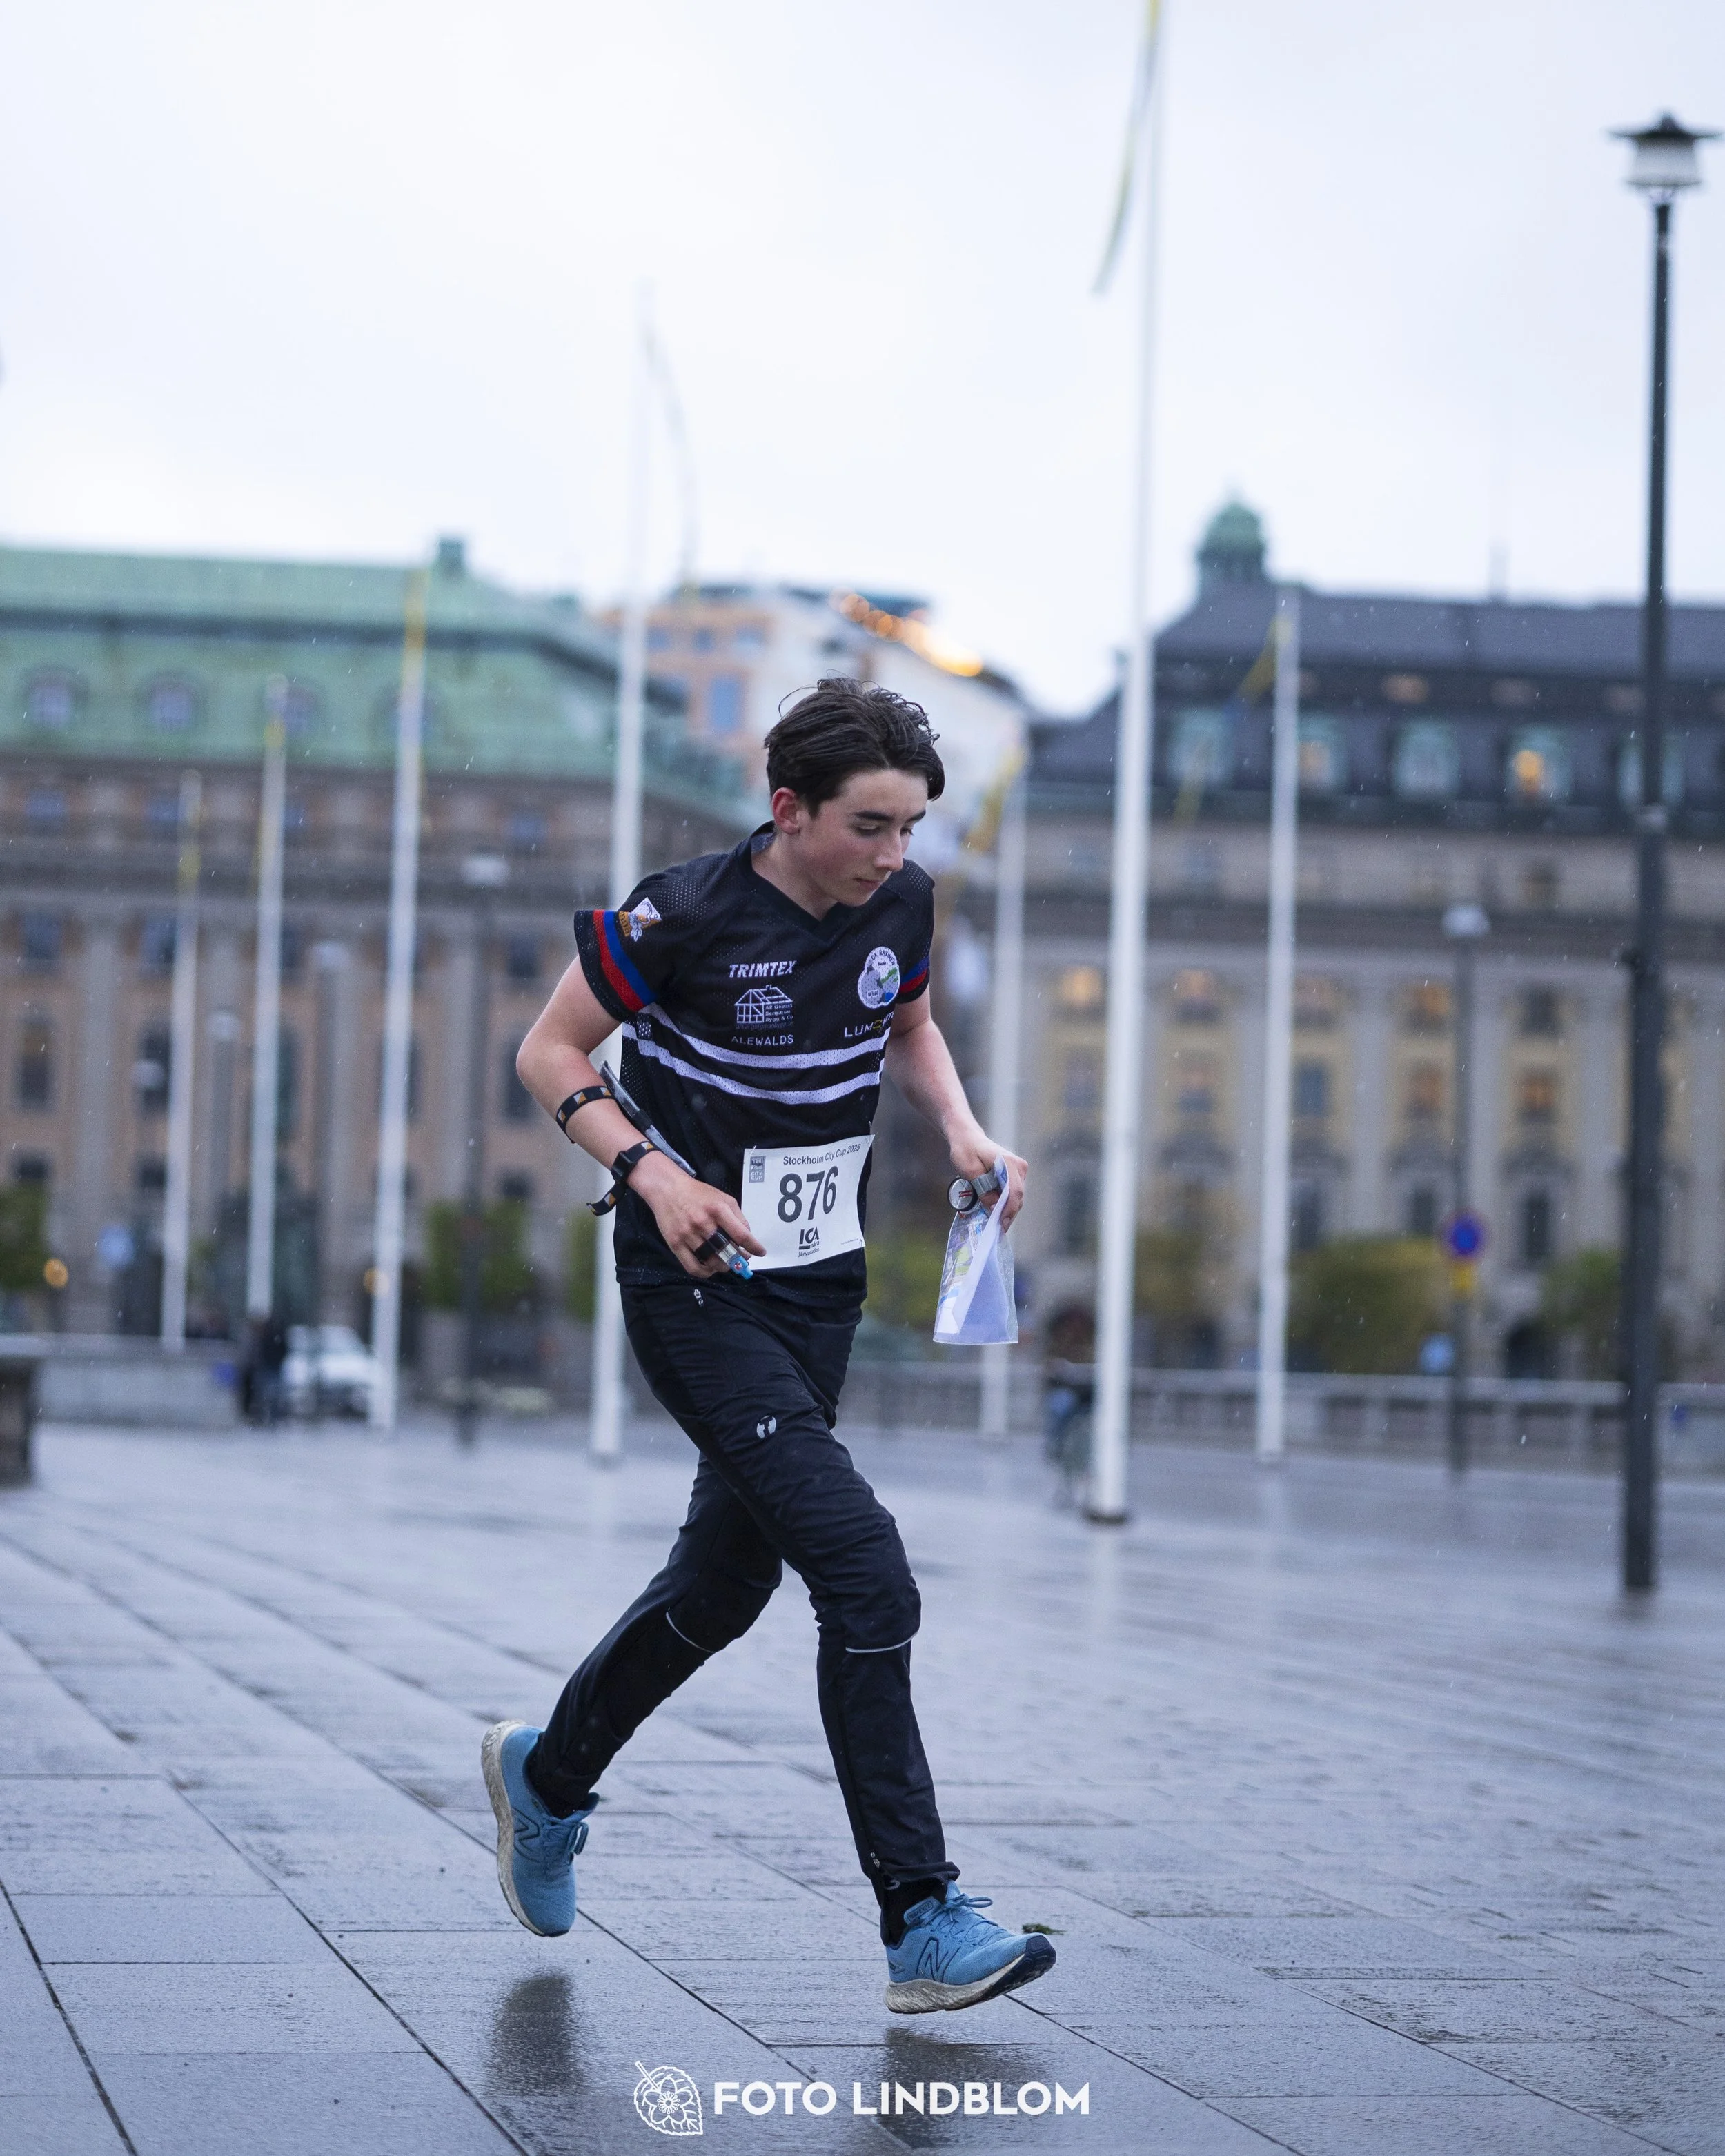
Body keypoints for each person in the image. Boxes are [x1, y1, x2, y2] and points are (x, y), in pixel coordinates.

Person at [481, 678, 1053, 2015]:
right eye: (869, 825)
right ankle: (920, 1915)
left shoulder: (900, 905)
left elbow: (909, 1024)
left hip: (818, 1286)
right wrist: (653, 1173)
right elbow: (548, 1052)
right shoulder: (679, 914)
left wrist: (963, 1131)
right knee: (865, 1571)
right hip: (694, 1279)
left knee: (725, 1582)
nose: (893, 855)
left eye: (910, 828)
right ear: (788, 808)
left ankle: (547, 1778)